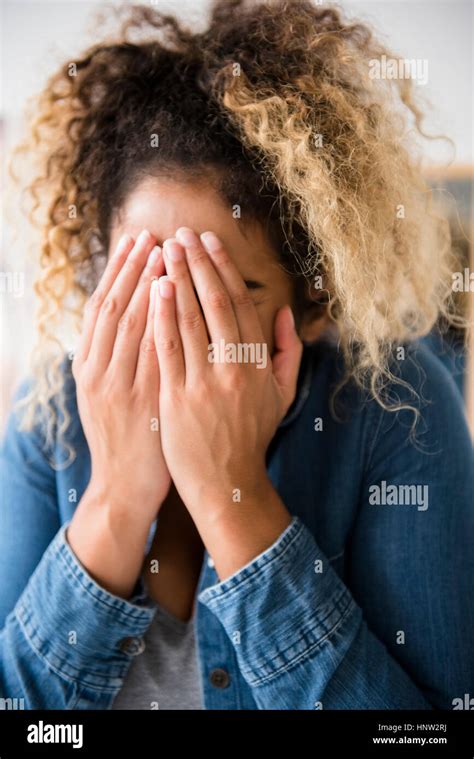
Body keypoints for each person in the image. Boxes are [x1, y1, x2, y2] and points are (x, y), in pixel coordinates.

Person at [1, 0, 472, 710]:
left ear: (313, 307)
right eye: (146, 279)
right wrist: (116, 499)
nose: (171, 323)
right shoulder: (50, 414)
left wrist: (236, 498)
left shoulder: (395, 409)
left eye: (222, 291)